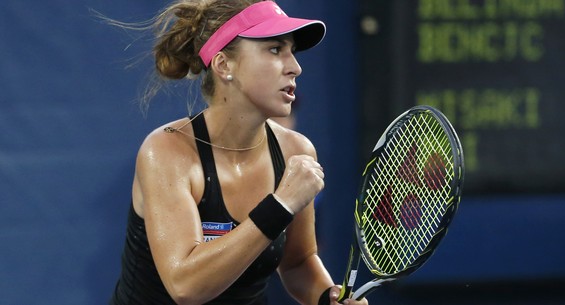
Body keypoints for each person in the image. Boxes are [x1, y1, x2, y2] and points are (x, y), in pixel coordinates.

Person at [108, 1, 369, 305]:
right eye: (275, 49)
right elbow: (186, 286)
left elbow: (298, 264)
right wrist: (281, 205)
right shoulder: (166, 151)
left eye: (292, 51)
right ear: (223, 66)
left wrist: (327, 296)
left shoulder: (296, 151)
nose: (295, 67)